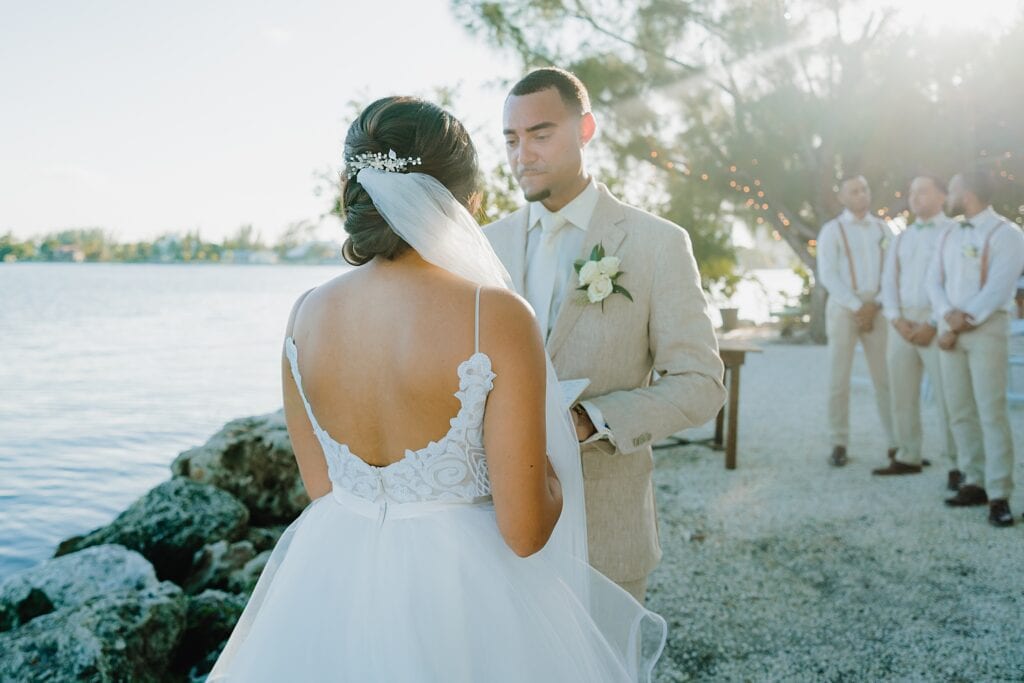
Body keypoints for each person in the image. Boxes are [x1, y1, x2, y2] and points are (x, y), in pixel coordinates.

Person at [207, 96, 666, 681]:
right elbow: (525, 533)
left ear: (355, 192)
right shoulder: (493, 315)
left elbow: (323, 488)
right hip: (464, 598)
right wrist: (550, 458)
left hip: (331, 580)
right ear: (464, 200)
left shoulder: (305, 314)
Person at [484, 68, 725, 603]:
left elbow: (701, 382)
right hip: (494, 535)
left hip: (606, 535)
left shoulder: (657, 244)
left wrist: (592, 420)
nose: (522, 153)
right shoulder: (482, 247)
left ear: (585, 129)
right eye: (511, 138)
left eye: (540, 134)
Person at [929, 169, 1024, 527]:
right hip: (950, 329)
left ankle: (1000, 493)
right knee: (959, 410)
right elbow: (933, 280)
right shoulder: (948, 232)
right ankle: (974, 481)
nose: (948, 195)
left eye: (951, 189)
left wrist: (963, 320)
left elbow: (1000, 287)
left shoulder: (1008, 234)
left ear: (967, 193)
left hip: (986, 329)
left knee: (992, 411)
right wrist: (944, 315)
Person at [872, 175, 958, 486]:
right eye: (912, 192)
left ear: (942, 196)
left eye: (923, 191)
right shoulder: (902, 237)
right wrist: (896, 319)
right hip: (902, 323)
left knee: (950, 396)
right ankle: (908, 454)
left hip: (938, 322)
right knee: (901, 394)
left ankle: (958, 464)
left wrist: (934, 323)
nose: (915, 197)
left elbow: (955, 282)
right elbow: (888, 281)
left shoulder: (954, 233)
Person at [815, 175, 897, 467]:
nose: (861, 195)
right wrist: (856, 305)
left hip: (876, 305)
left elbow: (891, 270)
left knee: (885, 377)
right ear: (842, 197)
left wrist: (876, 304)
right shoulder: (831, 231)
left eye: (864, 189)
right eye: (854, 191)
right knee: (839, 378)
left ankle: (896, 442)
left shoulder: (883, 228)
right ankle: (838, 442)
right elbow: (828, 274)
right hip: (843, 306)